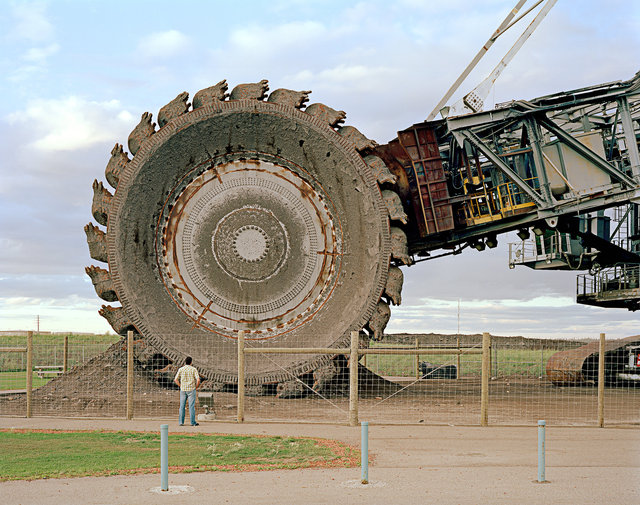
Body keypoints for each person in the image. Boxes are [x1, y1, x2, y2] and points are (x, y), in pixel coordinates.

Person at [174, 356, 201, 426]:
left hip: (183, 390)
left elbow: (175, 380)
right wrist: (196, 387)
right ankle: (192, 422)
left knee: (182, 406)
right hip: (191, 390)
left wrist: (180, 385)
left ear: (185, 362)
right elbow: (198, 380)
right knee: (191, 406)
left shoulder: (181, 369)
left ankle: (181, 422)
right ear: (191, 362)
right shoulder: (193, 369)